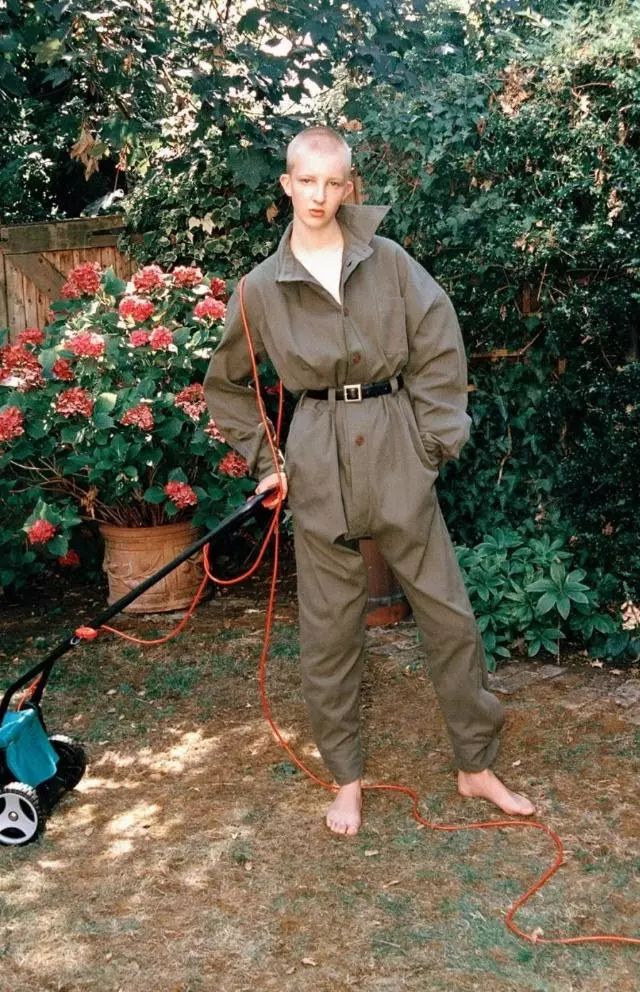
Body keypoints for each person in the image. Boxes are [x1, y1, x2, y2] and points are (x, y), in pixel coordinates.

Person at [204, 125, 535, 836]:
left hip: (393, 442)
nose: (319, 196)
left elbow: (439, 343)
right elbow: (227, 386)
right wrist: (267, 461)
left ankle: (476, 765)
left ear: (349, 187)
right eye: (306, 181)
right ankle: (346, 780)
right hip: (316, 454)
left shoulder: (388, 261)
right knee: (329, 632)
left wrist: (432, 442)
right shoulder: (259, 289)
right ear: (287, 185)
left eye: (333, 183)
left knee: (447, 614)